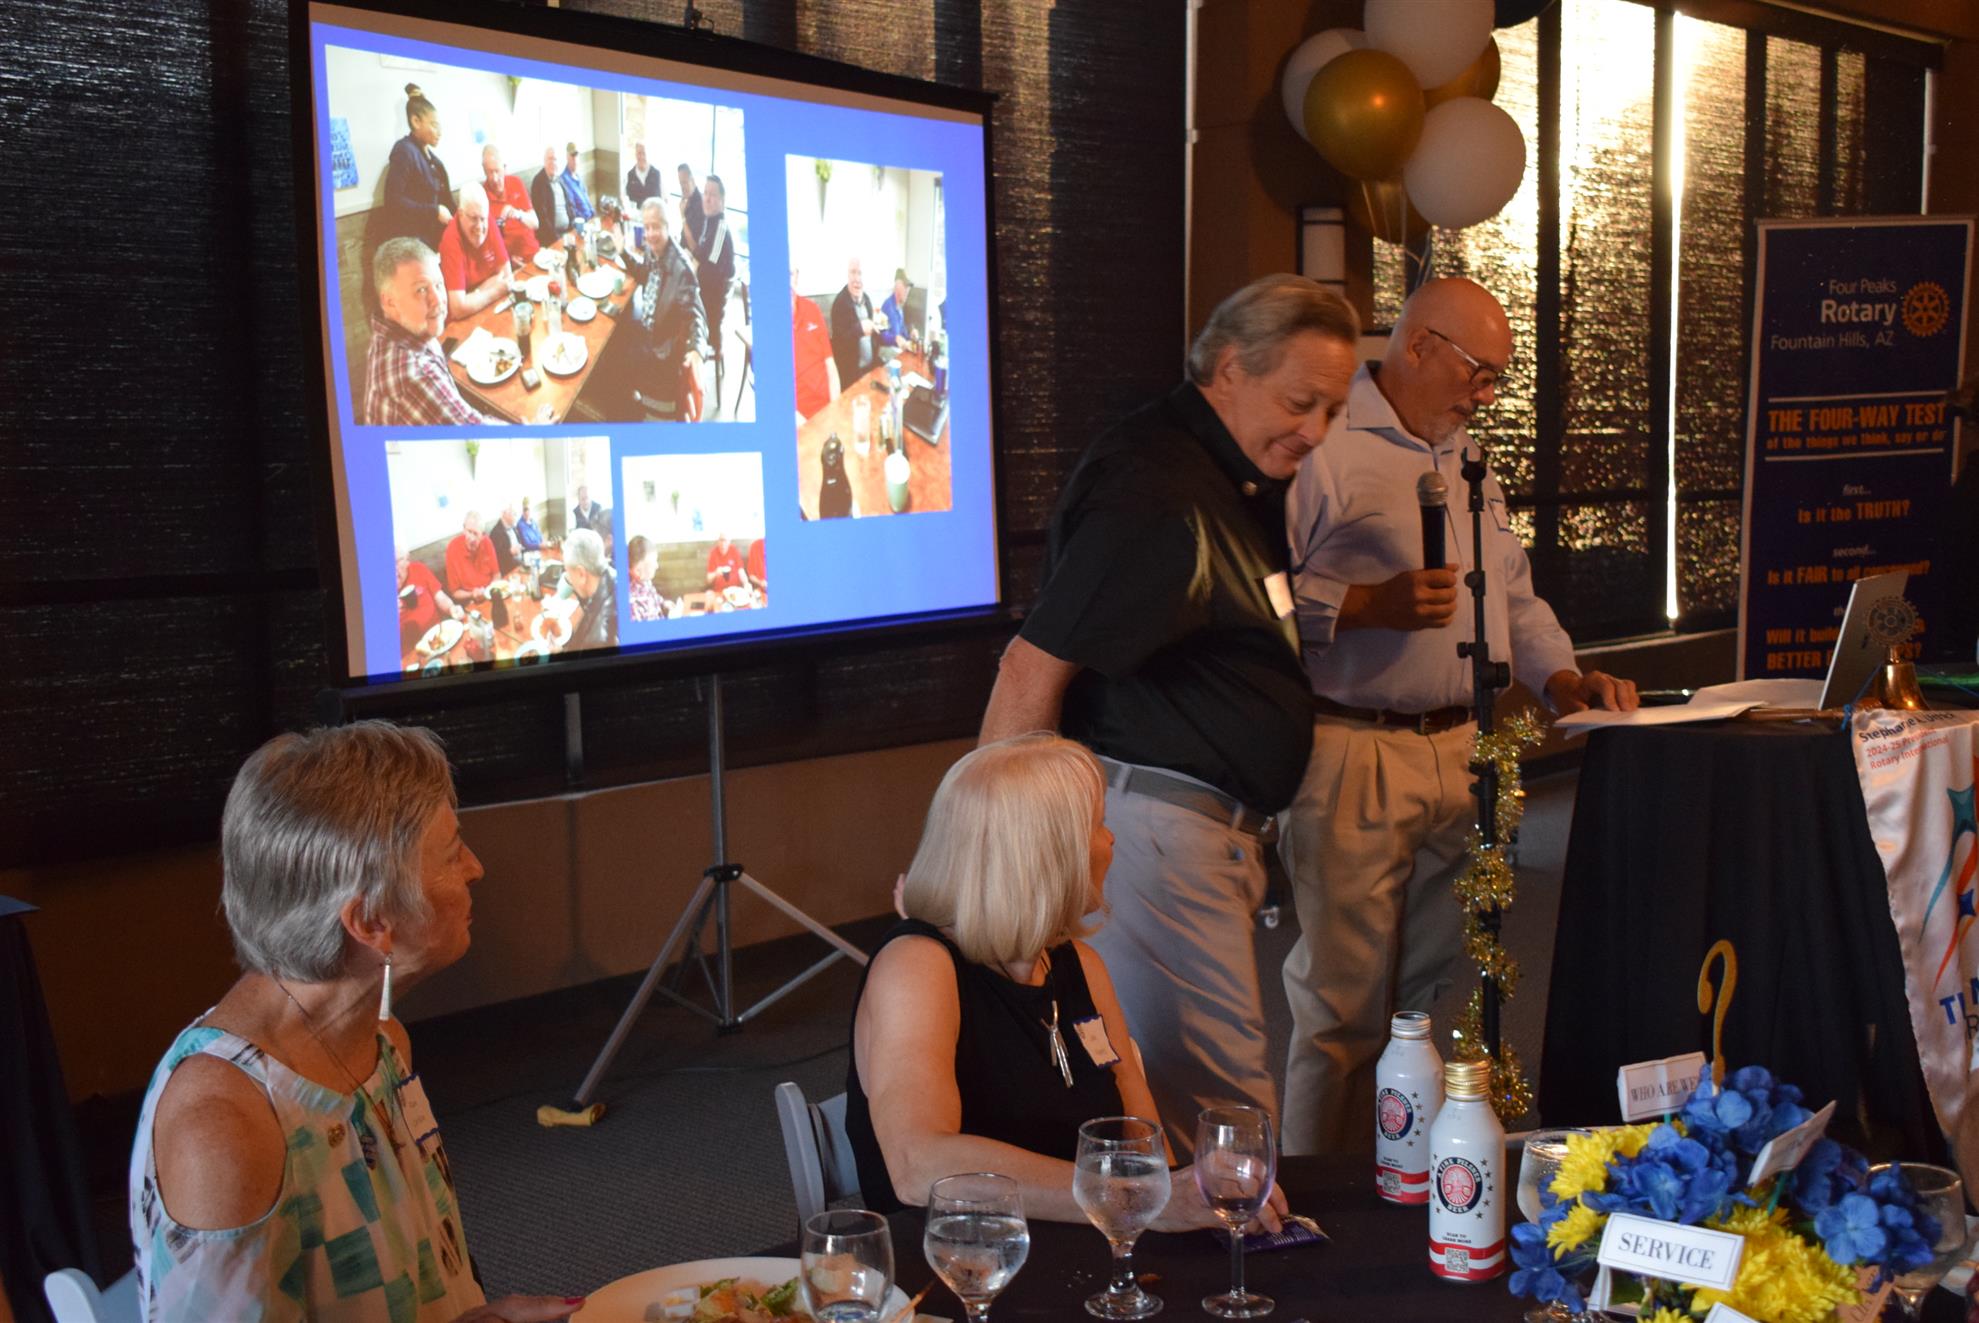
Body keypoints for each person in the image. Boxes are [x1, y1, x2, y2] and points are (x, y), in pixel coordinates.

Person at [977, 274, 1360, 1157]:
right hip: (1156, 835)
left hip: (1198, 836)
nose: (1314, 431)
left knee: (1195, 1099)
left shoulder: (1225, 477)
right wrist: (990, 862)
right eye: (1299, 402)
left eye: (1332, 411)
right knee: (1218, 1110)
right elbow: (1031, 667)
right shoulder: (1158, 489)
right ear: (1228, 370)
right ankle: (1228, 1250)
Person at [1278, 276, 1638, 1156]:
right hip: (1355, 751)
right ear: (1418, 345)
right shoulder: (1323, 443)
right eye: (1480, 372)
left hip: (1463, 748)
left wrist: (1560, 678)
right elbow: (1261, 598)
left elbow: (1510, 595)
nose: (1485, 394)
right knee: (1341, 1006)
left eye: (1496, 378)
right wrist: (1366, 605)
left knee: (1437, 994)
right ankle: (1315, 1194)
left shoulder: (1467, 458)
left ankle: (1417, 1179)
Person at [128, 721, 584, 1323]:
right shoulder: (226, 1130)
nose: (475, 868)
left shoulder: (382, 1042)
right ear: (370, 924)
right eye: (452, 854)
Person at [846, 734, 1290, 1227]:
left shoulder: (1079, 965)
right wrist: (1139, 1198)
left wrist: (1188, 1198)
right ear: (1044, 854)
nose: (1111, 840)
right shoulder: (917, 966)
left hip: (1081, 1239)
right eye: (1097, 824)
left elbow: (1145, 1153)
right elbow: (917, 1166)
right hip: (957, 1254)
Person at [360, 238, 487, 427]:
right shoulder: (413, 375)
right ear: (390, 303)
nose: (438, 299)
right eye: (421, 290)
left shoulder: (402, 328)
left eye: (439, 285)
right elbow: (476, 431)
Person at [625, 196, 708, 421]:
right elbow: (644, 274)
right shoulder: (653, 250)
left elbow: (696, 316)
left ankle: (635, 405)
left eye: (656, 227)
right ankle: (630, 396)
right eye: (647, 227)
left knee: (613, 354)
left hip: (661, 350)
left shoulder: (682, 269)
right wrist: (622, 253)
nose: (650, 233)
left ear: (667, 227)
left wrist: (697, 350)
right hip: (650, 329)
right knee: (617, 333)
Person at [380, 84, 452, 252]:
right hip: (412, 246)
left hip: (434, 241)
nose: (439, 132)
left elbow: (447, 200)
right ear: (416, 121)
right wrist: (434, 211)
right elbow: (393, 201)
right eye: (434, 125)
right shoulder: (404, 151)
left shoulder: (435, 161)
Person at [437, 189, 511, 322]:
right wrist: (496, 290)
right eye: (474, 218)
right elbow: (458, 309)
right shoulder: (450, 240)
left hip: (488, 308)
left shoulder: (487, 219)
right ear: (460, 214)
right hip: (463, 322)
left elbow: (507, 277)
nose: (479, 226)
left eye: (483, 219)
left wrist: (474, 295)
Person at [696, 176, 736, 364]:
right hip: (708, 290)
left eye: (712, 194)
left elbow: (709, 272)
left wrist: (692, 268)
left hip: (710, 302)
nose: (707, 198)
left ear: (722, 201)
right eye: (705, 193)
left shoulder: (720, 228)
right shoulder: (710, 221)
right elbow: (701, 252)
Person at [791, 266, 840, 421]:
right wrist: (808, 426)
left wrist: (835, 407)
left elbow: (830, 364)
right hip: (800, 418)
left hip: (828, 406)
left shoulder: (812, 309)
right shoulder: (768, 323)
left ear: (796, 277)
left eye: (790, 274)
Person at [479, 146, 539, 262]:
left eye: (497, 171)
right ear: (484, 171)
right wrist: (509, 260)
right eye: (490, 172)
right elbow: (485, 246)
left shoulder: (516, 182)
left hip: (534, 253)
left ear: (504, 168)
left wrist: (518, 214)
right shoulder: (481, 196)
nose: (495, 178)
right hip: (510, 262)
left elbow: (535, 223)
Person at [829, 257, 881, 390]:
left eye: (860, 273)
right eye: (853, 272)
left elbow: (873, 338)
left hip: (870, 370)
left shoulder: (867, 300)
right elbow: (838, 345)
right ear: (847, 275)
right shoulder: (839, 303)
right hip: (851, 377)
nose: (857, 278)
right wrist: (859, 329)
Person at [396, 546, 462, 651]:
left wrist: (451, 608)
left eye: (396, 562)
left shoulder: (418, 569)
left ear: (407, 560)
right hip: (410, 650)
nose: (393, 569)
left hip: (439, 634)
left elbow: (439, 597)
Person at [560, 529, 617, 650]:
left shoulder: (595, 640)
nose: (569, 580)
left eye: (568, 573)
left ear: (581, 574)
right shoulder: (611, 574)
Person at [444, 512, 498, 598]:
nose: (471, 538)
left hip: (490, 592)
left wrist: (491, 591)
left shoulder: (487, 542)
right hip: (470, 599)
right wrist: (472, 594)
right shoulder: (453, 548)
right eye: (469, 531)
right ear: (464, 529)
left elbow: (497, 574)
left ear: (482, 535)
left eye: (475, 534)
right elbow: (455, 592)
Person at [530, 146, 575, 250]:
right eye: (550, 159)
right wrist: (558, 239)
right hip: (552, 238)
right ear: (544, 161)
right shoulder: (539, 182)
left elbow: (570, 205)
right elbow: (542, 218)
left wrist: (574, 228)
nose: (553, 162)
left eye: (555, 159)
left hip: (567, 232)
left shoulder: (559, 179)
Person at [626, 535, 668, 621]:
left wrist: (665, 603)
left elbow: (655, 597)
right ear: (637, 571)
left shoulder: (645, 581)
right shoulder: (633, 604)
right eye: (653, 563)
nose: (657, 566)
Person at [878, 269, 914, 354]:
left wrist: (910, 335)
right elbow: (882, 335)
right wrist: (895, 338)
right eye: (905, 287)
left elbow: (902, 330)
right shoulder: (887, 306)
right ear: (898, 286)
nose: (907, 291)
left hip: (897, 349)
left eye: (908, 289)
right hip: (886, 350)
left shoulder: (899, 308)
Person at [677, 164, 706, 262]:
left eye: (684, 183)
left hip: (692, 260)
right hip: (683, 254)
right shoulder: (688, 200)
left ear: (692, 181)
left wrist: (682, 216)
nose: (682, 187)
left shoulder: (700, 206)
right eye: (680, 183)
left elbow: (693, 247)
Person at [624, 141, 662, 209]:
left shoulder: (657, 174)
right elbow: (626, 199)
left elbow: (664, 200)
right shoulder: (630, 175)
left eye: (644, 153)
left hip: (653, 214)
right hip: (635, 214)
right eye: (639, 153)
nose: (641, 157)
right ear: (635, 154)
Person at [490, 505, 524, 576]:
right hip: (509, 570)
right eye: (513, 513)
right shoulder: (495, 533)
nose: (516, 515)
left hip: (521, 563)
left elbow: (520, 542)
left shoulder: (513, 527)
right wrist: (510, 552)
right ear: (504, 514)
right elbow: (496, 557)